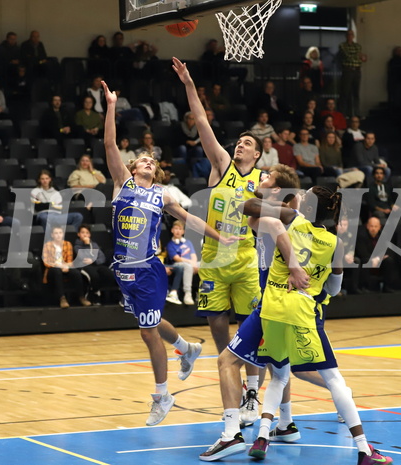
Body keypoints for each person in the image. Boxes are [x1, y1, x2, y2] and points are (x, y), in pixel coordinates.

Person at [200, 186, 393, 465]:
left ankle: (262, 435)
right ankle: (364, 448)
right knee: (334, 380)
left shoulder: (291, 219)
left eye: (305, 193)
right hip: (303, 311)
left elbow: (248, 208)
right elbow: (335, 289)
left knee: (278, 375)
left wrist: (273, 202)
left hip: (271, 310)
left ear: (309, 204)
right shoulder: (336, 244)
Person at [103, 80, 237, 426]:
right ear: (132, 169)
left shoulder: (161, 195)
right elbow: (108, 144)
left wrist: (217, 236)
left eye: (152, 162)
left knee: (147, 332)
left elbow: (190, 217)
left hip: (148, 268)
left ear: (156, 172)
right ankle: (187, 348)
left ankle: (162, 396)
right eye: (142, 160)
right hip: (122, 269)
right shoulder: (122, 184)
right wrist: (111, 105)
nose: (147, 162)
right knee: (149, 322)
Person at [173, 57, 265, 426]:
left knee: (252, 325)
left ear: (257, 154)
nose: (240, 144)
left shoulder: (263, 179)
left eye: (248, 143)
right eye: (239, 141)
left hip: (244, 257)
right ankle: (233, 375)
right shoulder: (221, 165)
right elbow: (201, 122)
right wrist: (189, 84)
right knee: (217, 324)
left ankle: (253, 390)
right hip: (213, 255)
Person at [42, 225, 92, 309]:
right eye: (56, 233)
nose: (58, 235)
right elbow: (47, 262)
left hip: (65, 267)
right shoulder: (47, 245)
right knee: (57, 271)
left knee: (76, 272)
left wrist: (66, 266)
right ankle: (62, 298)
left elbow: (69, 260)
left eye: (60, 233)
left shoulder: (67, 244)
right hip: (52, 268)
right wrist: (60, 265)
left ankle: (81, 297)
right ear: (52, 235)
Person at [355, 217, 400, 293]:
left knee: (389, 261)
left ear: (379, 227)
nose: (373, 228)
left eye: (376, 226)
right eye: (371, 226)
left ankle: (387, 286)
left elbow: (388, 250)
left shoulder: (384, 236)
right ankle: (365, 287)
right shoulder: (361, 235)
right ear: (367, 226)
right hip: (367, 258)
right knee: (365, 261)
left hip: (379, 259)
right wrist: (373, 259)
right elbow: (362, 252)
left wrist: (378, 259)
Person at [74, 224, 115, 304]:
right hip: (84, 266)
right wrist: (86, 244)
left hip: (96, 265)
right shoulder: (77, 246)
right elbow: (83, 257)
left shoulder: (94, 244)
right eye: (82, 232)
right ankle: (93, 294)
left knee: (109, 274)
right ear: (78, 234)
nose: (85, 234)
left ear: (90, 234)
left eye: (87, 233)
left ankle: (101, 292)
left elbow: (102, 257)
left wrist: (93, 260)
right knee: (94, 275)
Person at [164, 220, 198, 306]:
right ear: (172, 230)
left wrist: (194, 263)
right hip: (178, 264)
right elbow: (177, 258)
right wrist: (191, 263)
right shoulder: (170, 244)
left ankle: (203, 292)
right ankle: (188, 294)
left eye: (180, 229)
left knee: (204, 265)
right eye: (176, 228)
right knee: (187, 266)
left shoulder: (188, 242)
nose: (178, 231)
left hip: (191, 263)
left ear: (183, 231)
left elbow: (193, 255)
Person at [338, 29, 366, 118]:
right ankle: (343, 113)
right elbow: (347, 56)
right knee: (345, 92)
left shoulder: (357, 46)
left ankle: (356, 113)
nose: (350, 36)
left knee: (356, 93)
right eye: (348, 34)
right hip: (348, 70)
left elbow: (363, 57)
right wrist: (358, 56)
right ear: (346, 36)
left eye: (351, 34)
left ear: (353, 36)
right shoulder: (342, 45)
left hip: (357, 70)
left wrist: (360, 57)